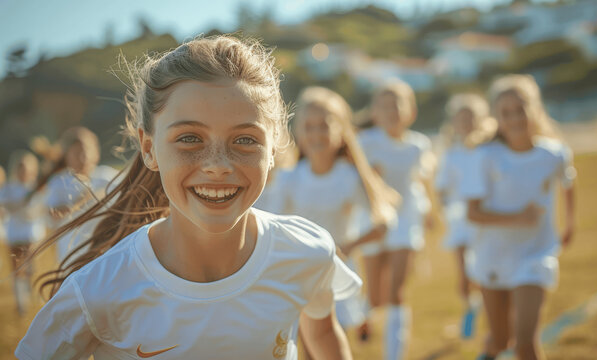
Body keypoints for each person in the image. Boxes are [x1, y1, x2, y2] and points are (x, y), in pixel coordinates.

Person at [16, 35, 361, 360]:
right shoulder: (100, 290)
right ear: (149, 148)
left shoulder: (304, 252)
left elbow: (323, 333)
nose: (217, 166)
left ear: (272, 150)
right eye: (189, 138)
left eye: (244, 140)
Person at [462, 74, 576, 360]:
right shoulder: (484, 156)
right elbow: (473, 213)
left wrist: (570, 223)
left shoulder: (555, 154)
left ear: (535, 108)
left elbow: (569, 183)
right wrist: (518, 217)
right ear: (496, 117)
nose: (514, 118)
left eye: (520, 109)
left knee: (525, 342)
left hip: (536, 255)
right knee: (501, 341)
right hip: (493, 257)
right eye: (506, 112)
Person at [283, 86, 398, 337]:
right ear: (299, 131)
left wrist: (347, 247)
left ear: (341, 130)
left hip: (337, 271)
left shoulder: (348, 177)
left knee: (331, 340)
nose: (316, 134)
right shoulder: (290, 178)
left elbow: (384, 221)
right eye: (309, 126)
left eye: (324, 125)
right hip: (298, 272)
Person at [358, 79, 435, 360]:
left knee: (397, 292)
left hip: (406, 220)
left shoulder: (419, 145)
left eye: (397, 104)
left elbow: (421, 182)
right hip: (372, 223)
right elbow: (356, 181)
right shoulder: (365, 142)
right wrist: (372, 179)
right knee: (376, 295)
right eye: (384, 105)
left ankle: (394, 355)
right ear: (374, 112)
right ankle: (365, 315)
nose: (391, 111)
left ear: (410, 111)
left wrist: (429, 212)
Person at [434, 93, 496, 339]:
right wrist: (443, 211)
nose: (466, 124)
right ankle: (469, 306)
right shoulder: (451, 153)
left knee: (483, 270)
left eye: (471, 118)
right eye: (461, 119)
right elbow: (442, 188)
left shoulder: (488, 150)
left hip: (484, 220)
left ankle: (490, 313)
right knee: (463, 275)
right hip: (460, 220)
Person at [30, 127, 118, 265]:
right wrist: (82, 200)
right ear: (67, 155)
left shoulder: (107, 177)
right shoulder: (60, 182)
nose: (83, 156)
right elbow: (52, 215)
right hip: (72, 256)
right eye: (77, 152)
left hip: (105, 253)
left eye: (87, 150)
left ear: (96, 153)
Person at [0, 151, 45, 315]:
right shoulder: (9, 188)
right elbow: (4, 207)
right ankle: (21, 303)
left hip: (30, 234)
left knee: (30, 267)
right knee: (16, 269)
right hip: (14, 235)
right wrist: (18, 205)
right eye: (21, 168)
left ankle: (31, 295)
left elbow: (38, 210)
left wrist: (23, 207)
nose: (23, 172)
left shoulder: (36, 188)